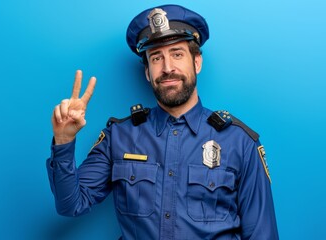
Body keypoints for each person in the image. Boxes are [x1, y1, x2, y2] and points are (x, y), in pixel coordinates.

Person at [47, 4, 279, 240]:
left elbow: (263, 234)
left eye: (177, 54)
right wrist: (64, 140)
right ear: (148, 72)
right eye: (156, 58)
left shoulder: (239, 142)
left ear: (196, 62)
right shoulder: (119, 136)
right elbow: (71, 204)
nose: (168, 68)